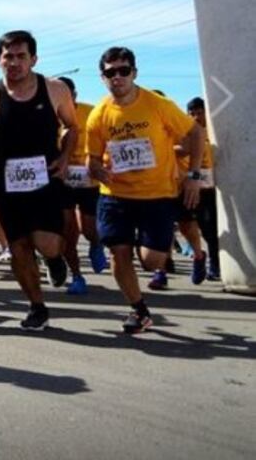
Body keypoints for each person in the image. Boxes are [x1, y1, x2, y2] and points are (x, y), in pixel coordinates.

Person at [87, 47, 204, 333]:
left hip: (158, 195)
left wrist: (194, 176)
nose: (118, 77)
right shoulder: (98, 115)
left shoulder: (158, 104)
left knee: (152, 262)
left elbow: (195, 133)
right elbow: (92, 159)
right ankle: (138, 310)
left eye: (123, 71)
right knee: (118, 252)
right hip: (114, 196)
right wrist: (97, 170)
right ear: (103, 77)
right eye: (111, 72)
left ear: (134, 73)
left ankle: (198, 254)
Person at [0, 30, 77, 331]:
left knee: (46, 243)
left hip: (46, 177)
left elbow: (72, 127)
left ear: (34, 59)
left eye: (21, 56)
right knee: (18, 247)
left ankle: (54, 259)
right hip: (7, 182)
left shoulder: (55, 89)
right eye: (8, 57)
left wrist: (66, 156)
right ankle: (37, 306)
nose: (14, 63)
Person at [57, 76, 106, 294]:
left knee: (89, 229)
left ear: (74, 95)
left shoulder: (93, 112)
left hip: (89, 180)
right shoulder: (49, 117)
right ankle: (76, 275)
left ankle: (96, 243)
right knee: (67, 229)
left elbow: (107, 143)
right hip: (62, 181)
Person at [176, 97, 219, 281]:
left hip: (208, 190)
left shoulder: (214, 132)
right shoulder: (183, 133)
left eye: (199, 112)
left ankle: (215, 266)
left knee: (210, 230)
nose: (195, 116)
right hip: (187, 188)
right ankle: (198, 255)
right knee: (187, 225)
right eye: (192, 113)